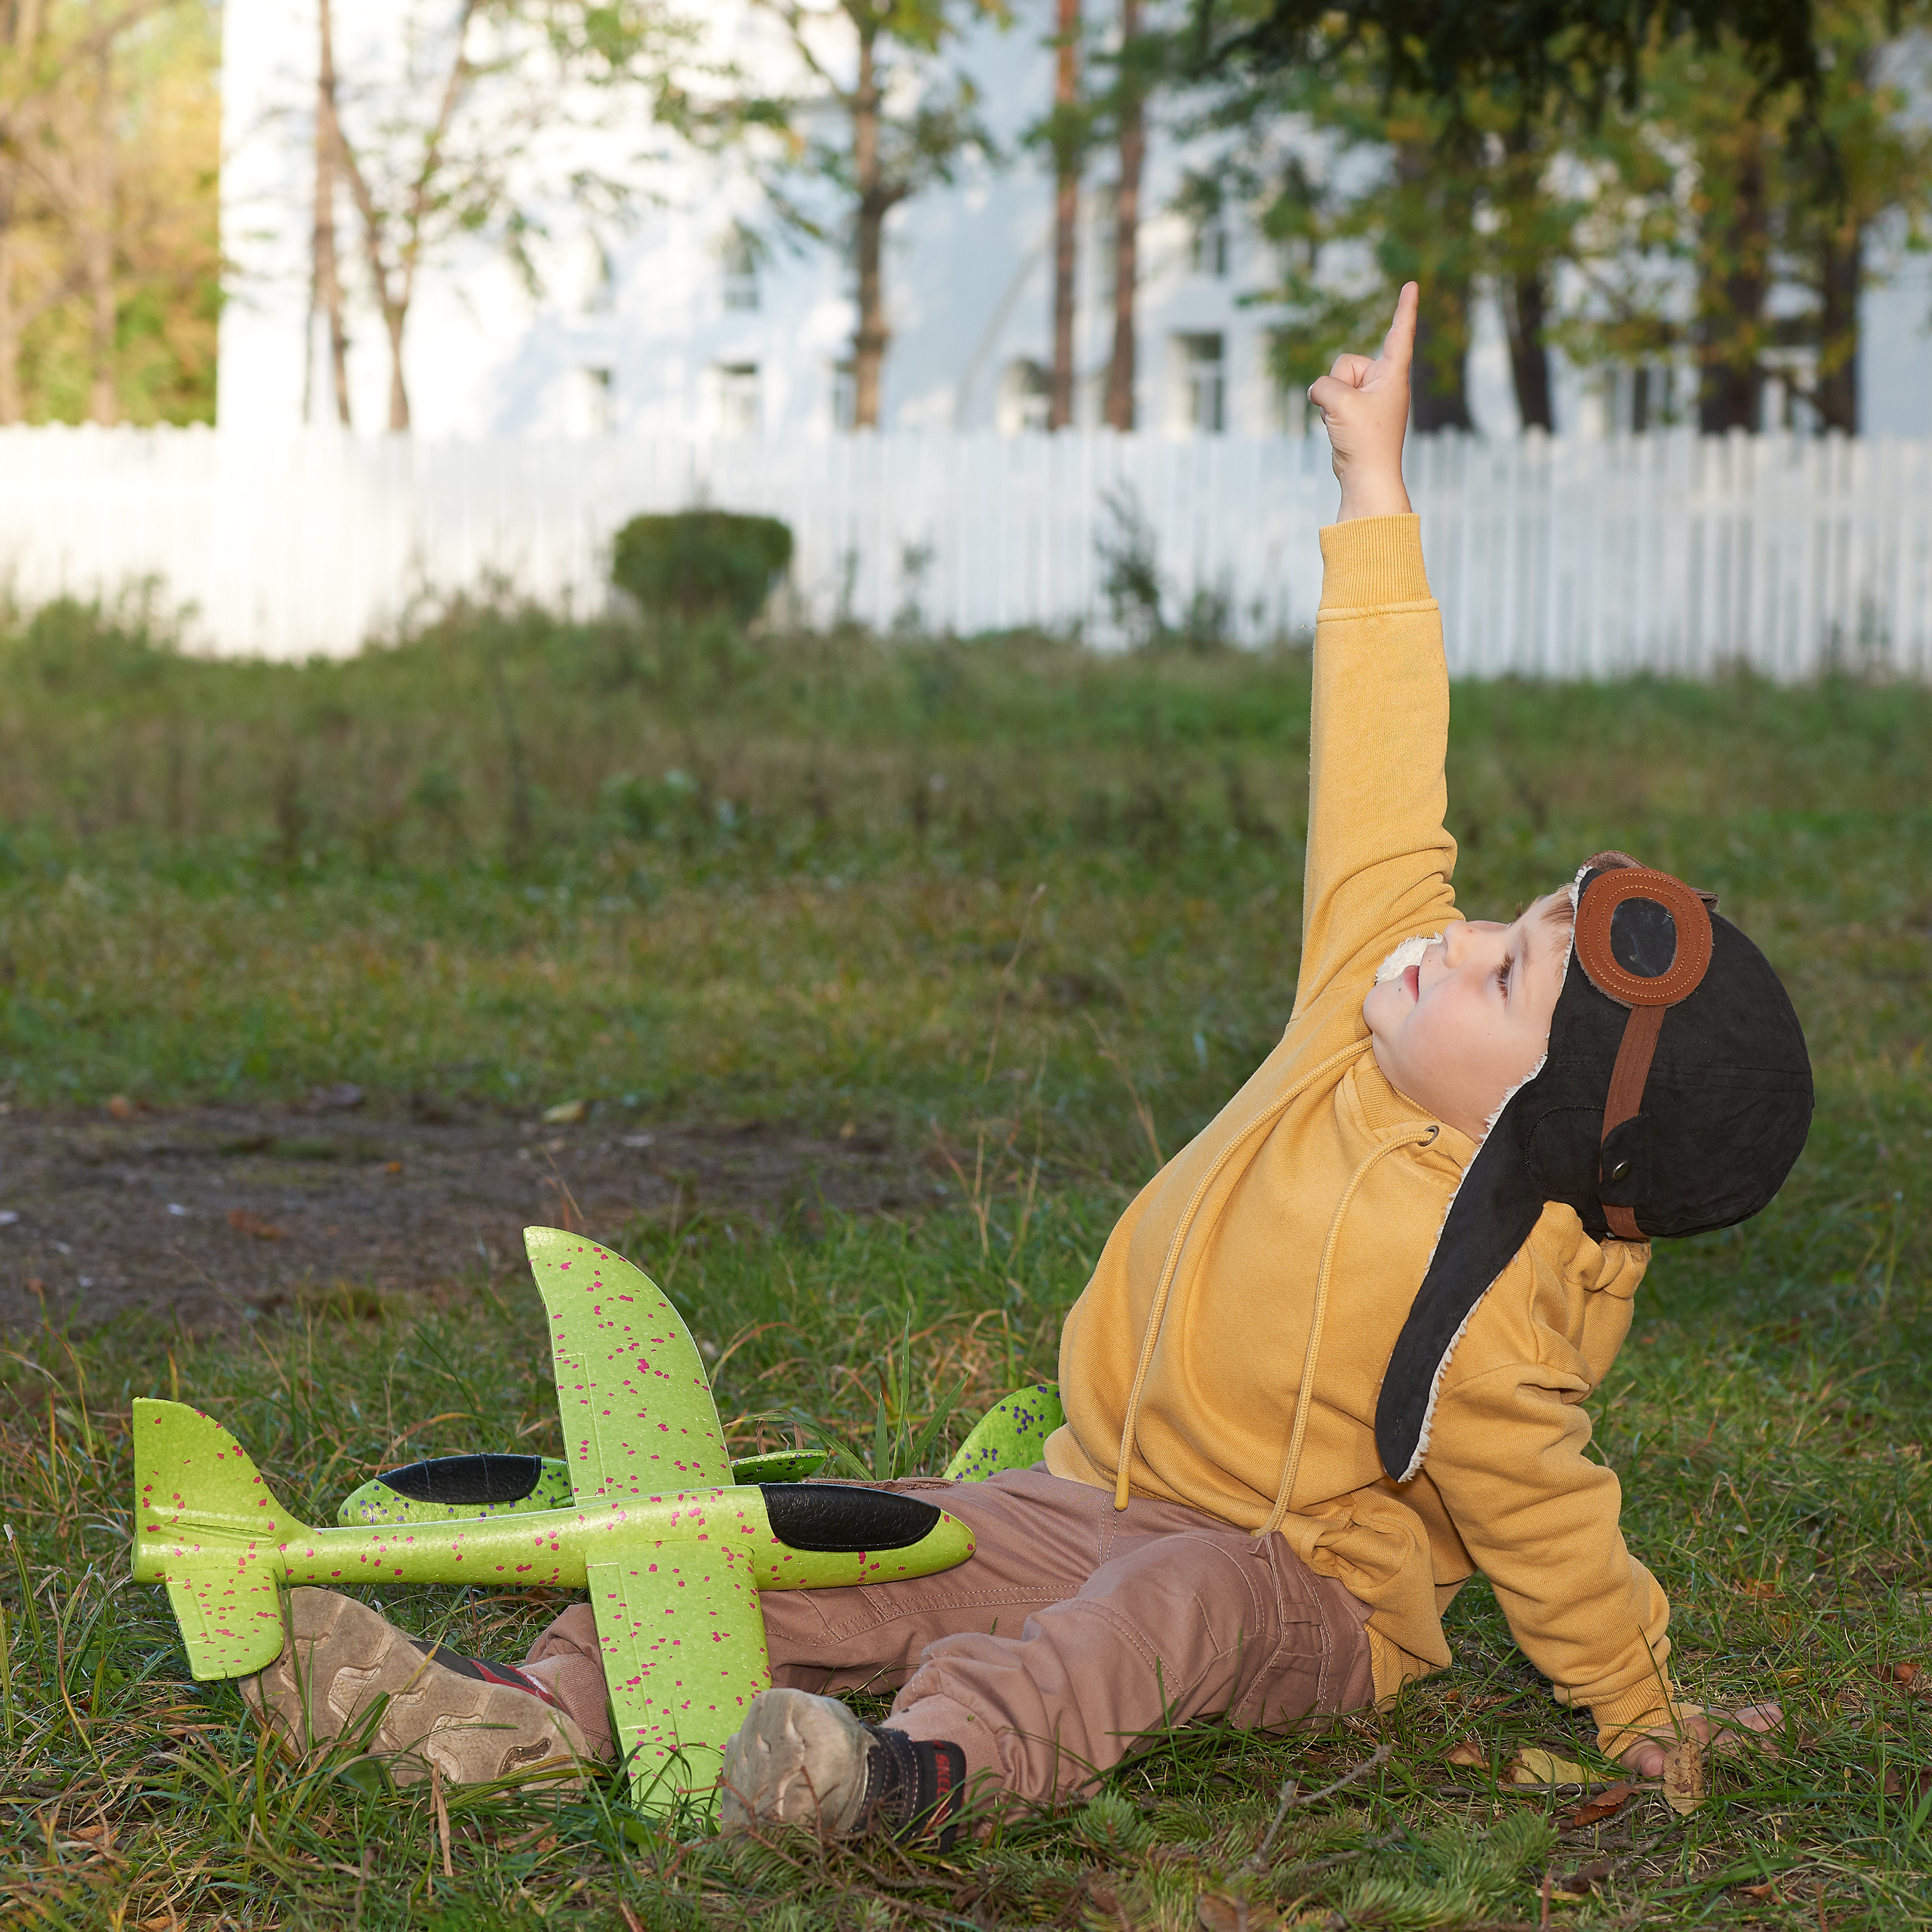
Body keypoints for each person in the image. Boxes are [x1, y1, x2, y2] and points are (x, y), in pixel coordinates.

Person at [243, 288, 1813, 1847]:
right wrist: (1372, 491)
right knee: (831, 1548)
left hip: (1302, 1596)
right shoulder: (1366, 981)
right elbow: (1386, 761)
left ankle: (903, 1777)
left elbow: (1550, 1524)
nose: (1451, 935)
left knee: (1164, 1604)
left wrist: (1646, 1706)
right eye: (1502, 919)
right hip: (1078, 1491)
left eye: (1501, 974)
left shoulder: (1488, 1315)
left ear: (1536, 1130)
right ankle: (511, 1714)